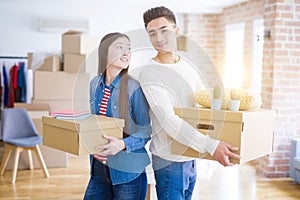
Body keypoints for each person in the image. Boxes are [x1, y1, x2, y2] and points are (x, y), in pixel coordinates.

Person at [139, 6, 241, 200]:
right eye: (152, 33)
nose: (159, 38)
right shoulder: (150, 72)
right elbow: (169, 121)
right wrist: (211, 145)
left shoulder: (187, 66)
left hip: (191, 156)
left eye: (164, 30)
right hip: (169, 160)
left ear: (176, 31)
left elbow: (199, 109)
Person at [84, 32, 152, 200]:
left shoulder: (133, 87)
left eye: (128, 49)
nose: (126, 52)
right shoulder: (94, 84)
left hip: (128, 172)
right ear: (104, 52)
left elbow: (146, 130)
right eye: (120, 47)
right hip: (99, 169)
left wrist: (122, 144)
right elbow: (96, 124)